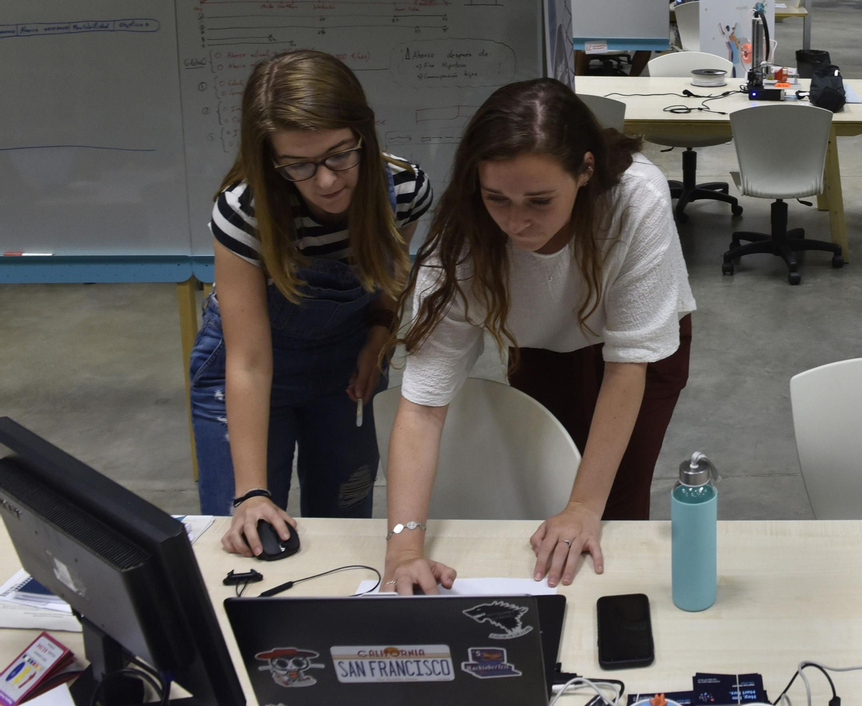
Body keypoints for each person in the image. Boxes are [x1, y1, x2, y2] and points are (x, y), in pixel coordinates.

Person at [384, 79, 695, 594]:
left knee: (611, 504)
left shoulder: (636, 198)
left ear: (585, 171)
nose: (517, 222)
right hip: (541, 342)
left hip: (640, 345)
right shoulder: (461, 244)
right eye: (497, 199)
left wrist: (585, 507)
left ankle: (612, 605)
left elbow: (627, 365)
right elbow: (423, 405)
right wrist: (404, 548)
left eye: (539, 200)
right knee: (549, 480)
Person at [191, 50, 432, 557]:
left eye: (340, 155)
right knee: (249, 533)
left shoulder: (405, 189)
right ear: (269, 159)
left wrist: (378, 338)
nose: (326, 180)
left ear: (364, 134)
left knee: (345, 527)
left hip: (346, 363)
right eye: (298, 165)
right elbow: (249, 361)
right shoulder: (244, 211)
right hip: (254, 367)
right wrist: (251, 493)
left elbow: (390, 277)